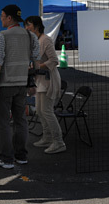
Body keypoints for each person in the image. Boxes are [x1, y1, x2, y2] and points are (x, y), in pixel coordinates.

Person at [0, 5, 39, 169]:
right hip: (22, 84)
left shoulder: (2, 36)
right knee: (20, 120)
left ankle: (5, 158)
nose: (1, 18)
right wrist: (33, 82)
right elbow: (36, 60)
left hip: (5, 84)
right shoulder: (31, 36)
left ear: (9, 18)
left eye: (2, 16)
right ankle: (21, 156)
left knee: (2, 122)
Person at [25, 16, 67, 154]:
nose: (27, 27)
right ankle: (47, 137)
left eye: (29, 25)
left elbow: (54, 61)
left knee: (47, 111)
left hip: (48, 80)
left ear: (37, 26)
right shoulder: (36, 40)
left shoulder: (45, 39)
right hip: (40, 81)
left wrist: (37, 67)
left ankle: (58, 141)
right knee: (39, 110)